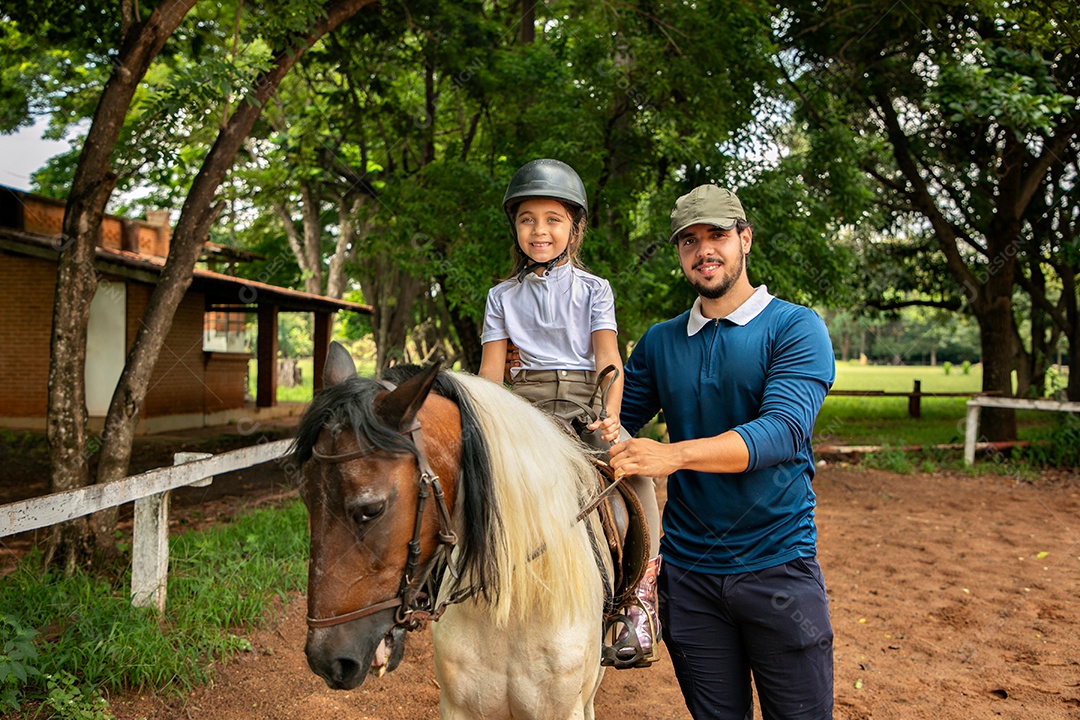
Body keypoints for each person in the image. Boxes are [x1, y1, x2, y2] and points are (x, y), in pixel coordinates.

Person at [609, 184, 836, 718]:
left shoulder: (795, 327)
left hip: (778, 568)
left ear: (745, 239)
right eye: (689, 240)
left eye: (717, 235)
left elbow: (781, 431)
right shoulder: (661, 342)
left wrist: (673, 455)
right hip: (689, 580)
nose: (703, 249)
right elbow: (611, 426)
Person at [477, 158, 664, 668]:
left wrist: (610, 416)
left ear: (574, 227)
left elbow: (608, 359)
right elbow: (493, 372)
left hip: (586, 400)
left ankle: (639, 601)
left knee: (636, 477)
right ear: (515, 228)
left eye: (553, 218)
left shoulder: (594, 289)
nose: (540, 230)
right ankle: (462, 581)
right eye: (527, 219)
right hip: (526, 404)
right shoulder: (501, 296)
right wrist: (488, 421)